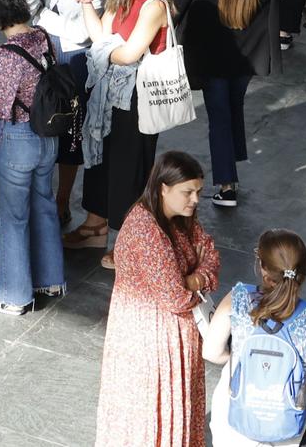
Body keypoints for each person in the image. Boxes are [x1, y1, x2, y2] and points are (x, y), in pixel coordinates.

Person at [95, 151, 220, 447]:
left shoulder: (179, 217)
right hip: (151, 341)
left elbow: (211, 254)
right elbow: (176, 297)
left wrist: (195, 278)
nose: (195, 200)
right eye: (187, 192)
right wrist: (193, 279)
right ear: (163, 188)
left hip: (168, 335)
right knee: (153, 413)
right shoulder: (145, 230)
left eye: (198, 192)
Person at [0, 0, 65, 317]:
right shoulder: (43, 38)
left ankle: (14, 295)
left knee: (11, 219)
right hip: (47, 138)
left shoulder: (7, 56)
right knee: (44, 206)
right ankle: (50, 280)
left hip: (16, 142)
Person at [69, 0, 174, 251]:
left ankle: (126, 244)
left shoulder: (154, 3)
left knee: (129, 168)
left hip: (136, 98)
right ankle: (95, 224)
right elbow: (100, 34)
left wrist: (102, 51)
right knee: (100, 159)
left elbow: (130, 54)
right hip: (108, 92)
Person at [200, 229, 306, 447]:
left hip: (235, 422)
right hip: (288, 427)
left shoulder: (239, 298)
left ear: (263, 269)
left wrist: (238, 359)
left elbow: (210, 351)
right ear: (303, 271)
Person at [175, 0, 279, 210]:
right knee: (233, 108)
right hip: (246, 61)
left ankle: (226, 184)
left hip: (210, 58)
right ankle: (231, 160)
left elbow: (175, 7)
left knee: (219, 117)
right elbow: (272, 18)